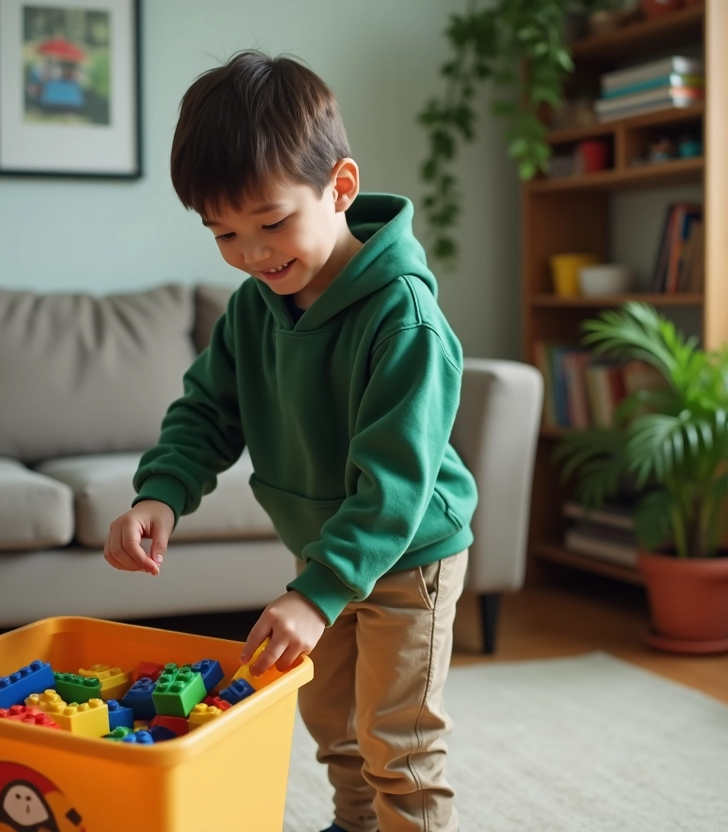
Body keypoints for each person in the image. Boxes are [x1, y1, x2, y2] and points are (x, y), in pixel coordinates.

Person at [103, 50, 477, 832]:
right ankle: (357, 823)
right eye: (224, 234)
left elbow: (394, 487)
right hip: (324, 553)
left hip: (408, 554)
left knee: (397, 737)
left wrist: (315, 593)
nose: (251, 253)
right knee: (331, 718)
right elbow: (206, 411)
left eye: (271, 223)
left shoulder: (402, 319)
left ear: (340, 188)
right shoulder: (253, 309)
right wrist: (160, 493)